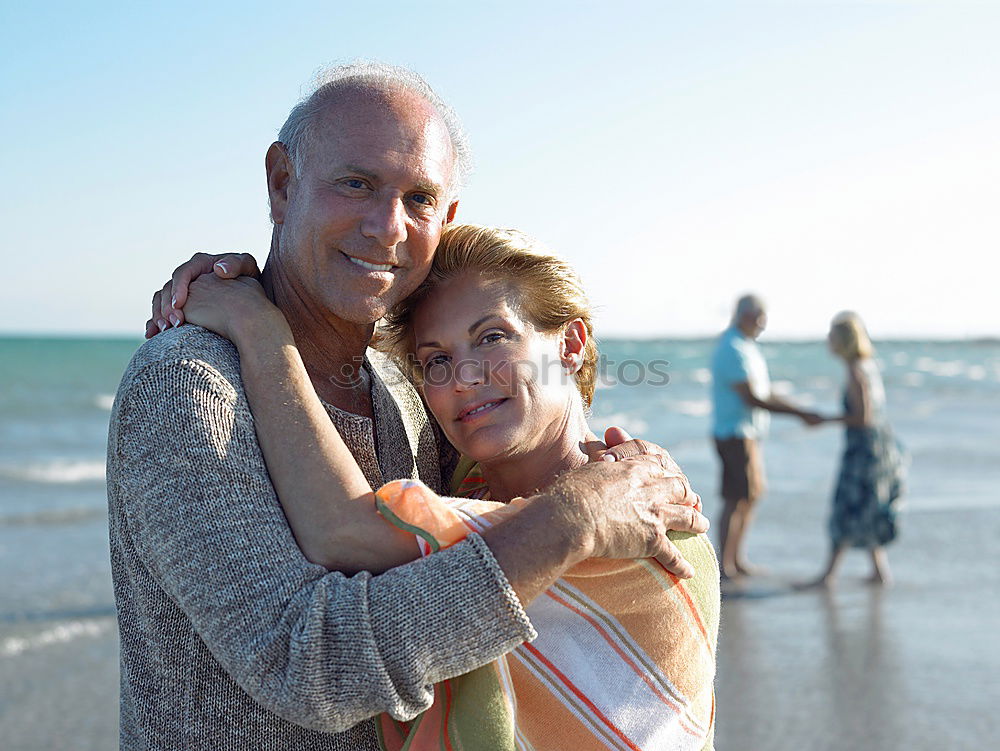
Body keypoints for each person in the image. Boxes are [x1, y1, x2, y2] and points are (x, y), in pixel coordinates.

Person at [110, 61, 708, 750]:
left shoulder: (407, 392)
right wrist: (576, 518)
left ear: (445, 219)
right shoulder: (189, 384)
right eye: (356, 183)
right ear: (282, 184)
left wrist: (628, 470)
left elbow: (512, 475)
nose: (387, 226)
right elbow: (313, 667)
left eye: (419, 198)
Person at [166, 223, 720, 750]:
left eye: (494, 337)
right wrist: (260, 282)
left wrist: (262, 332)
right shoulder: (474, 483)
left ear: (571, 344)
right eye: (436, 360)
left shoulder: (631, 527)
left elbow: (345, 531)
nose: (464, 378)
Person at [710, 293, 821, 579]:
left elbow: (764, 392)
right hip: (734, 434)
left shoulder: (747, 347)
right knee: (736, 498)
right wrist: (799, 414)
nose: (763, 324)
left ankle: (738, 558)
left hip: (749, 434)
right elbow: (752, 398)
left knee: (751, 496)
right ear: (746, 316)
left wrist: (800, 410)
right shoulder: (731, 348)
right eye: (760, 317)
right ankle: (726, 565)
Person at [804, 311, 906, 587]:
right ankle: (879, 570)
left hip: (865, 450)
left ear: (845, 339)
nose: (828, 340)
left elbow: (864, 417)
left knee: (846, 506)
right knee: (870, 504)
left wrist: (823, 419)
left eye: (833, 335)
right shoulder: (867, 365)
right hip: (879, 446)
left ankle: (829, 575)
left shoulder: (856, 370)